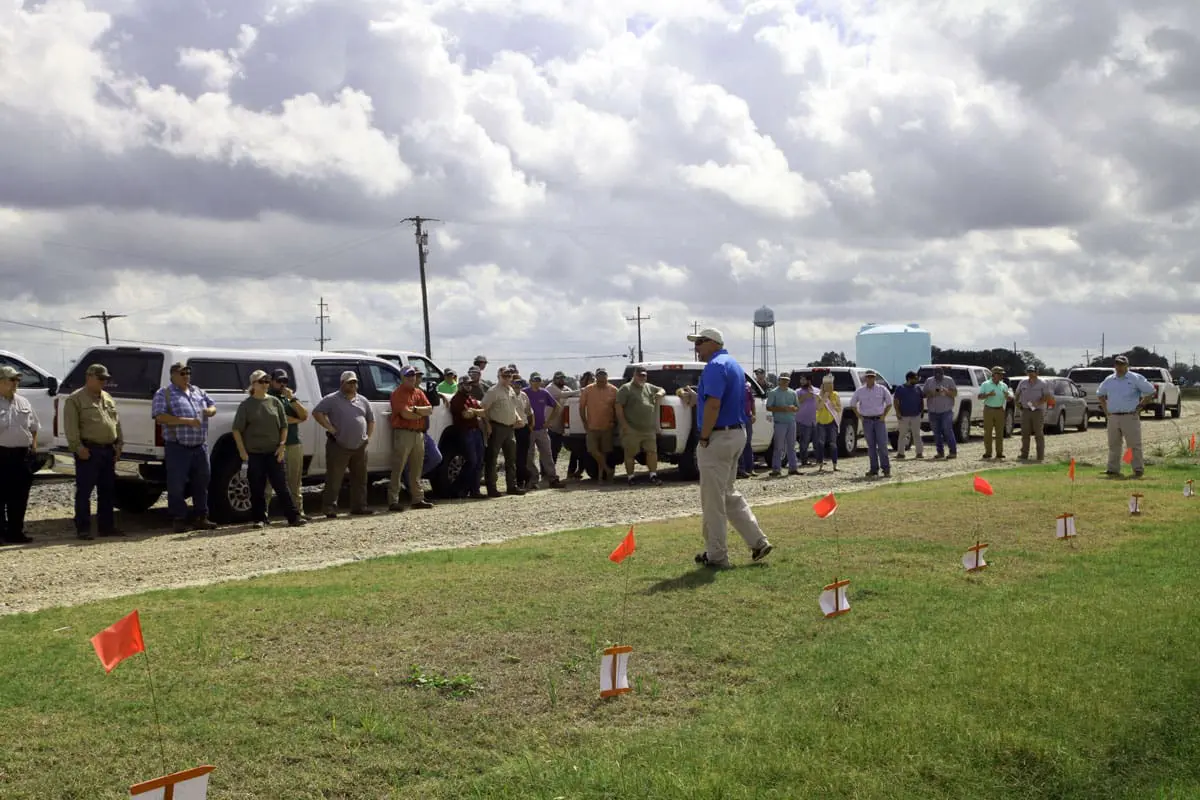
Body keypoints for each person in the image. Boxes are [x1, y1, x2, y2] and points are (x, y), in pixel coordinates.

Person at [685, 328, 773, 568]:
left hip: (718, 437)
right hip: (736, 433)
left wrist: (703, 437)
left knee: (713, 501)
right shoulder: (732, 363)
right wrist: (695, 399)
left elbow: (713, 405)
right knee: (728, 494)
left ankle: (717, 555)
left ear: (713, 343)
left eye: (700, 342)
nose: (697, 347)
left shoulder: (714, 366)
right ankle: (757, 541)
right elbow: (716, 401)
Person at [232, 370, 307, 528]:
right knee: (257, 487)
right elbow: (237, 429)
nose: (266, 384)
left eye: (267, 381)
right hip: (254, 453)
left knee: (281, 486)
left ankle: (293, 517)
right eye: (262, 381)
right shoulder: (246, 405)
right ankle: (260, 519)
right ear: (253, 384)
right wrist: (242, 451)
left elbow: (284, 426)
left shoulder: (275, 402)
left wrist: (281, 446)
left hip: (274, 452)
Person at [152, 362, 219, 533]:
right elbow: (159, 417)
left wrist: (209, 411)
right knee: (176, 484)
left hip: (200, 445)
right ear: (173, 375)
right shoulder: (164, 393)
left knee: (202, 482)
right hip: (178, 446)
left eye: (188, 372)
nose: (186, 376)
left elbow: (212, 405)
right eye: (182, 373)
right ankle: (179, 518)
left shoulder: (197, 391)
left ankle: (201, 516)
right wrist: (186, 421)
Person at [62, 363, 124, 540]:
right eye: (100, 379)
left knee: (107, 490)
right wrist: (78, 447)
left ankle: (107, 527)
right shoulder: (75, 399)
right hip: (89, 451)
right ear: (89, 377)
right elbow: (71, 427)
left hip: (108, 450)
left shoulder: (108, 398)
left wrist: (119, 444)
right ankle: (83, 528)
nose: (104, 382)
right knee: (85, 492)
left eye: (105, 379)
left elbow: (116, 423)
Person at [312, 370, 377, 518]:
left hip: (360, 446)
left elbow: (371, 420)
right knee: (334, 478)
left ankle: (359, 506)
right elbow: (317, 412)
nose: (353, 385)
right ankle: (329, 507)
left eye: (354, 382)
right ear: (342, 383)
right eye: (349, 382)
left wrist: (368, 437)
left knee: (360, 478)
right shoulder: (332, 399)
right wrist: (330, 428)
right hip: (339, 445)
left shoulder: (363, 400)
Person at [1097, 355, 1157, 478]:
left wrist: (1141, 405)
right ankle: (1113, 469)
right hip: (1113, 416)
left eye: (1122, 364)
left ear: (1127, 366)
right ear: (1114, 366)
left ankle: (1138, 469)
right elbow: (1100, 394)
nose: (1119, 367)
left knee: (1134, 444)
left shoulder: (1135, 378)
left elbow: (1151, 391)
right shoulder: (1109, 379)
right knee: (1113, 445)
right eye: (1117, 364)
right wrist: (1106, 410)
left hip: (1130, 416)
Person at [0, 365, 40, 544]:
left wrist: (33, 447)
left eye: (17, 380)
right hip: (1, 455)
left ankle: (16, 532)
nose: (16, 383)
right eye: (12, 380)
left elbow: (34, 427)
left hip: (21, 456)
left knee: (20, 496)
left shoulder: (24, 402)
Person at [387, 366, 434, 512]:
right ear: (402, 377)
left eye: (413, 375)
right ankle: (393, 500)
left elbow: (430, 409)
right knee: (398, 468)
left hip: (418, 433)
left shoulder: (418, 392)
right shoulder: (398, 393)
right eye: (408, 375)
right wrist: (419, 412)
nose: (411, 377)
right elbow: (405, 414)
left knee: (416, 468)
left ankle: (418, 499)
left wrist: (414, 410)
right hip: (403, 433)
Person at [266, 369, 309, 519]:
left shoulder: (287, 398)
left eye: (285, 381)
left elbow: (304, 415)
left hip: (293, 443)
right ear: (271, 381)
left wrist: (292, 398)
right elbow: (277, 419)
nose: (282, 385)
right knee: (268, 482)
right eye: (279, 381)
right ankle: (263, 513)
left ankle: (298, 511)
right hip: (273, 444)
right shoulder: (268, 397)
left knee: (295, 481)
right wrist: (295, 420)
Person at [615, 365, 665, 486]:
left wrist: (659, 394)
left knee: (652, 452)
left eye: (644, 375)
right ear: (634, 375)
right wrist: (624, 426)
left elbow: (662, 389)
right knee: (630, 454)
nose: (642, 377)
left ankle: (653, 475)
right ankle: (631, 477)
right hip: (632, 428)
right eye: (639, 375)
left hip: (648, 429)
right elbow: (618, 408)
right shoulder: (625, 388)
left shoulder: (648, 387)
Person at [482, 366, 525, 496]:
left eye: (509, 376)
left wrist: (517, 418)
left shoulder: (511, 390)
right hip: (497, 427)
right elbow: (483, 409)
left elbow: (513, 408)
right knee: (492, 459)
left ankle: (512, 486)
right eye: (504, 376)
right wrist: (488, 425)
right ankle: (492, 488)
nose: (507, 378)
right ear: (499, 377)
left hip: (510, 428)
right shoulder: (493, 391)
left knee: (511, 459)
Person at [849, 370, 893, 478]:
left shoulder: (882, 389)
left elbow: (889, 403)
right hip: (867, 420)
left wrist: (884, 415)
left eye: (872, 377)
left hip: (879, 420)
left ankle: (886, 469)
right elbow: (852, 404)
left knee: (882, 445)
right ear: (865, 378)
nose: (870, 379)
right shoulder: (860, 391)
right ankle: (874, 469)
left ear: (874, 378)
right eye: (868, 377)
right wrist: (859, 416)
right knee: (871, 446)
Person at [525, 373, 564, 489]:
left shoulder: (544, 392)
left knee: (547, 454)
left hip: (542, 429)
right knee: (529, 456)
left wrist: (549, 421)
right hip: (528, 429)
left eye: (538, 380)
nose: (536, 382)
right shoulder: (524, 393)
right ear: (530, 381)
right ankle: (533, 479)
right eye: (534, 380)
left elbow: (557, 407)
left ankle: (553, 479)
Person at [449, 375, 486, 498]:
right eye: (466, 384)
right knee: (472, 461)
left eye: (470, 384)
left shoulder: (471, 399)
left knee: (479, 461)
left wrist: (474, 411)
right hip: (465, 432)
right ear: (460, 385)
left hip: (476, 431)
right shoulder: (457, 399)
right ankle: (460, 488)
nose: (469, 386)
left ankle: (475, 490)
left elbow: (483, 412)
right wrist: (476, 412)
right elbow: (465, 415)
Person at [580, 367, 618, 482]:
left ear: (607, 377)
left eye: (604, 378)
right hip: (592, 426)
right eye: (600, 378)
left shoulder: (614, 390)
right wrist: (585, 422)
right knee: (592, 450)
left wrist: (614, 421)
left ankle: (601, 476)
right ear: (596, 377)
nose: (602, 380)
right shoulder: (588, 389)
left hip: (607, 426)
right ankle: (608, 469)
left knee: (605, 452)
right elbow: (582, 408)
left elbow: (618, 408)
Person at [1015, 365, 1053, 461]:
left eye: (1032, 371)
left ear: (1037, 372)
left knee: (1038, 434)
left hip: (1037, 411)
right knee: (1025, 433)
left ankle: (1040, 456)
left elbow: (1047, 396)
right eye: (1029, 371)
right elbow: (1017, 393)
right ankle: (1024, 454)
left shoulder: (1043, 383)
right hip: (1026, 410)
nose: (1030, 373)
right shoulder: (1023, 382)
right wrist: (1017, 403)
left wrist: (1037, 403)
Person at [765, 372, 799, 477]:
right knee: (778, 447)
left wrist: (793, 408)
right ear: (779, 380)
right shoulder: (773, 392)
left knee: (792, 446)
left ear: (789, 381)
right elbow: (768, 407)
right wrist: (783, 409)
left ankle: (793, 468)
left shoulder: (793, 393)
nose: (785, 382)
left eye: (786, 380)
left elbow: (797, 407)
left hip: (791, 422)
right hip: (780, 423)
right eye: (783, 380)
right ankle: (776, 469)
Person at [977, 366, 1012, 460]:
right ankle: (988, 453)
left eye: (1002, 374)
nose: (1002, 376)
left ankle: (999, 453)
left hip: (1000, 410)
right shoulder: (986, 384)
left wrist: (1008, 397)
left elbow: (1008, 398)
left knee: (1000, 433)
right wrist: (988, 394)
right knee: (988, 432)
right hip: (988, 409)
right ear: (994, 374)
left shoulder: (1004, 385)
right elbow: (979, 396)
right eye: (1000, 374)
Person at [922, 367, 958, 459]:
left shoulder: (949, 380)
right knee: (936, 432)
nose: (938, 376)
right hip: (933, 411)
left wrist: (946, 391)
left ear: (943, 373)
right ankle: (940, 452)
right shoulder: (929, 381)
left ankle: (953, 452)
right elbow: (924, 394)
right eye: (936, 374)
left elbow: (955, 393)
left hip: (946, 410)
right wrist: (932, 393)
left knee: (947, 430)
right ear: (934, 374)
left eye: (940, 374)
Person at [566, 371, 594, 479]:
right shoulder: (581, 391)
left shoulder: (595, 391)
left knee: (582, 453)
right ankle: (571, 471)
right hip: (580, 427)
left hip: (588, 427)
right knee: (576, 453)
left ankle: (578, 471)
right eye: (591, 379)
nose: (593, 381)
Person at [546, 371, 578, 464]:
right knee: (551, 451)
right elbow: (562, 394)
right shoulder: (550, 388)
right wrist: (580, 390)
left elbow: (572, 394)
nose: (561, 380)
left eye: (562, 378)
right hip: (551, 425)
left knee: (557, 449)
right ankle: (546, 472)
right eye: (558, 378)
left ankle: (551, 471)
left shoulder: (565, 388)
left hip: (561, 426)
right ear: (554, 379)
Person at [892, 371, 924, 459]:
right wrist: (898, 412)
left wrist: (921, 411)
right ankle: (901, 453)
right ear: (909, 379)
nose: (917, 380)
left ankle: (919, 453)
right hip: (903, 416)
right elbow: (896, 401)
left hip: (916, 415)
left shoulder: (918, 388)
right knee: (902, 434)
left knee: (917, 434)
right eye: (915, 378)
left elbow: (921, 400)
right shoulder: (900, 388)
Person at [814, 375, 841, 473]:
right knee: (821, 443)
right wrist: (824, 397)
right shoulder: (818, 395)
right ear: (823, 386)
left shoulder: (835, 395)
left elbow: (839, 408)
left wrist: (835, 406)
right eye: (827, 385)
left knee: (833, 443)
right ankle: (820, 464)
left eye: (831, 384)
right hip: (821, 422)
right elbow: (818, 408)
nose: (830, 386)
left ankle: (835, 465)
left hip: (832, 422)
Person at [794, 374, 818, 466]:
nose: (801, 382)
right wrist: (806, 396)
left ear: (809, 381)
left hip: (815, 421)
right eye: (801, 380)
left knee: (817, 442)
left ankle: (819, 460)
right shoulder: (798, 391)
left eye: (803, 380)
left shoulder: (816, 391)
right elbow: (796, 402)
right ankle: (804, 461)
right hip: (803, 421)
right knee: (804, 442)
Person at [738, 378, 757, 478]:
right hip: (737, 418)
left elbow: (752, 401)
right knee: (739, 445)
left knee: (748, 444)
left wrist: (754, 414)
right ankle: (741, 469)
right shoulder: (731, 385)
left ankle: (750, 468)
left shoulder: (747, 386)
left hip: (747, 417)